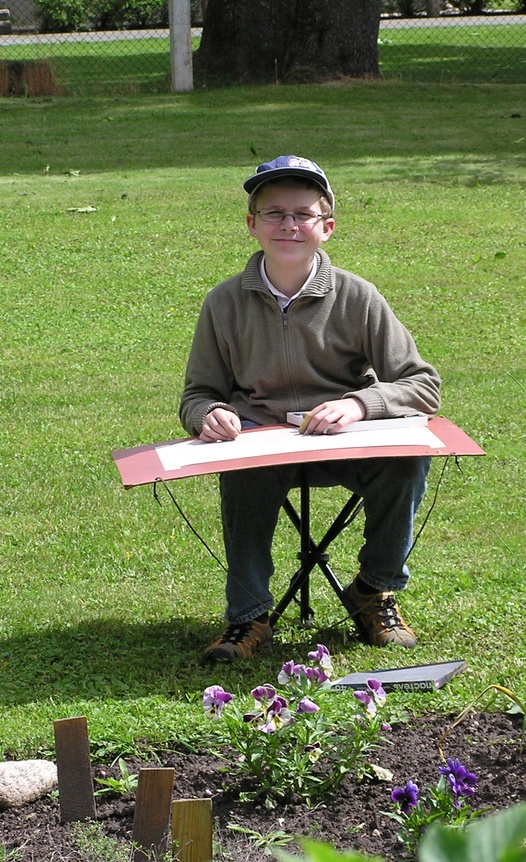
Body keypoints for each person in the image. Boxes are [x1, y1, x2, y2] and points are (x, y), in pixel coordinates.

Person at [179, 155, 441, 664]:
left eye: (303, 214)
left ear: (327, 227)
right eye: (274, 214)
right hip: (261, 444)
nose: (289, 225)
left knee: (408, 460)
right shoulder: (223, 303)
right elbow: (197, 393)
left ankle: (374, 590)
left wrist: (359, 404)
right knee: (242, 475)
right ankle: (248, 615)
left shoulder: (359, 297)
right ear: (252, 225)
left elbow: (423, 385)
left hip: (346, 443)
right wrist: (209, 414)